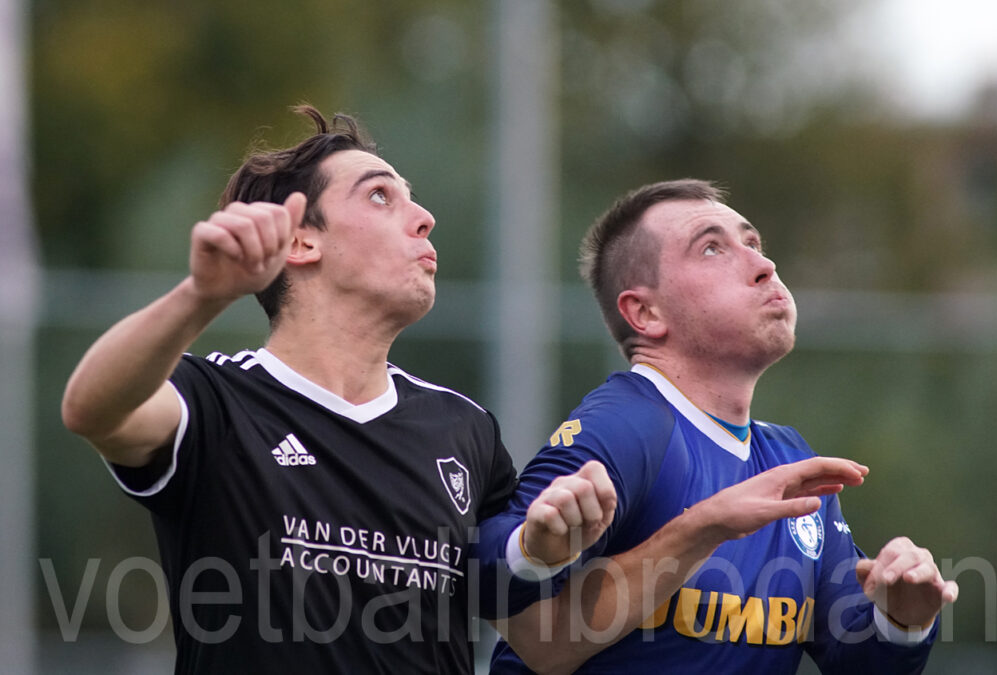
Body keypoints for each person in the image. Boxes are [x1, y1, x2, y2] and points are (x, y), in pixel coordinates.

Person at [60, 106, 616, 674]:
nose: (424, 218)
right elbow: (91, 408)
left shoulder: (464, 429)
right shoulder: (217, 402)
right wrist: (202, 296)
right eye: (380, 196)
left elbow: (547, 645)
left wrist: (549, 554)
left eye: (411, 198)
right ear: (300, 242)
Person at [476, 179, 959, 673]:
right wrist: (701, 526)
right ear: (645, 312)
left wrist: (902, 620)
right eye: (712, 248)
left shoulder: (789, 457)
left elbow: (854, 658)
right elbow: (492, 577)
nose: (763, 265)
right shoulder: (629, 424)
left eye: (753, 243)